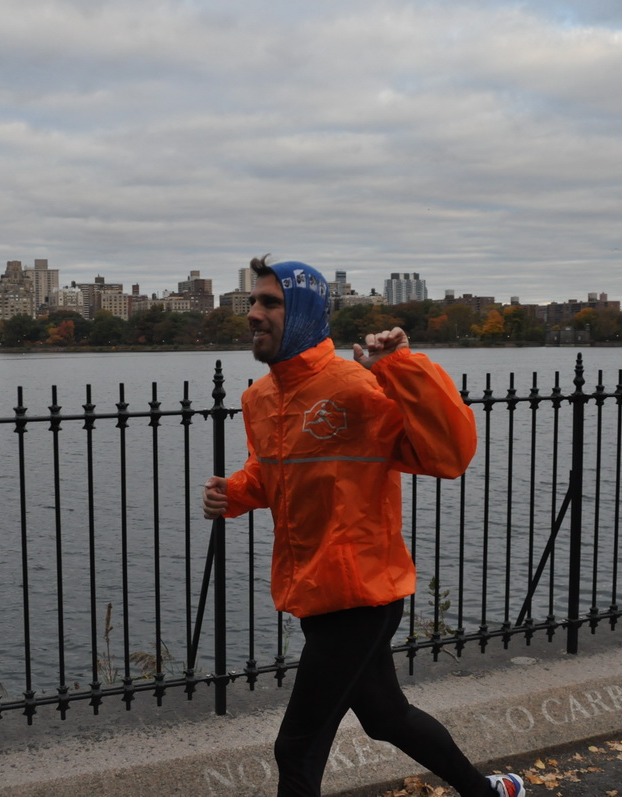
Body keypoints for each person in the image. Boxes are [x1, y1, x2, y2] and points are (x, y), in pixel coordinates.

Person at [202, 256, 524, 797]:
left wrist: (400, 368)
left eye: (270, 303)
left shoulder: (359, 386)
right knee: (386, 717)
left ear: (304, 312)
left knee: (297, 748)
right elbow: (276, 475)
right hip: (315, 591)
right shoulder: (261, 398)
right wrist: (232, 492)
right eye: (253, 301)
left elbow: (449, 454)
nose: (253, 313)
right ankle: (488, 793)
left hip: (360, 594)